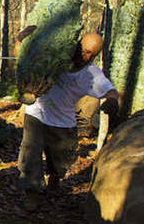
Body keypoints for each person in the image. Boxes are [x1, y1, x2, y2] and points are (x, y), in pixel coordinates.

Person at [18, 33, 119, 210]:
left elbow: (109, 90)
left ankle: (55, 178)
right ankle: (31, 194)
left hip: (63, 121)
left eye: (90, 53)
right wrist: (20, 40)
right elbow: (23, 56)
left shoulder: (91, 74)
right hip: (36, 114)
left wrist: (112, 101)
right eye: (82, 50)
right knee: (30, 154)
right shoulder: (56, 58)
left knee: (60, 161)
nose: (84, 55)